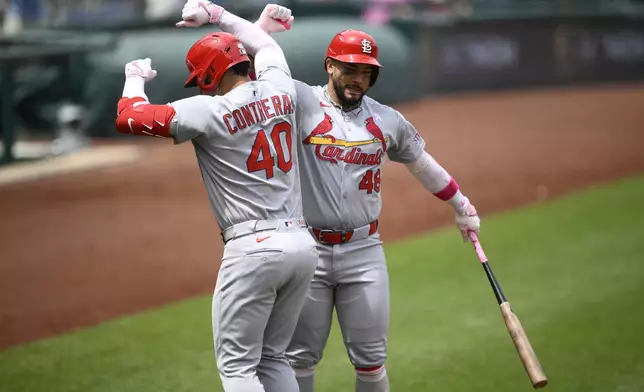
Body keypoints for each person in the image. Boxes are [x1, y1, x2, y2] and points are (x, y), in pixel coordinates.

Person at [179, 3, 481, 392]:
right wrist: (248, 24)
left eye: (366, 72)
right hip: (311, 251)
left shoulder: (387, 119)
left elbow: (422, 164)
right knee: (299, 358)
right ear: (329, 66)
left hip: (364, 251)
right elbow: (240, 73)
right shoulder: (298, 100)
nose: (357, 79)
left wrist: (462, 206)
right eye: (349, 69)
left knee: (371, 361)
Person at [116, 4, 318, 392]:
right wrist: (215, 12)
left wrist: (134, 78)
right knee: (273, 358)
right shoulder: (280, 86)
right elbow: (264, 44)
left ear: (211, 74)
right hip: (301, 243)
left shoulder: (209, 111)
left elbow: (128, 116)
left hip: (253, 248)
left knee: (238, 369)